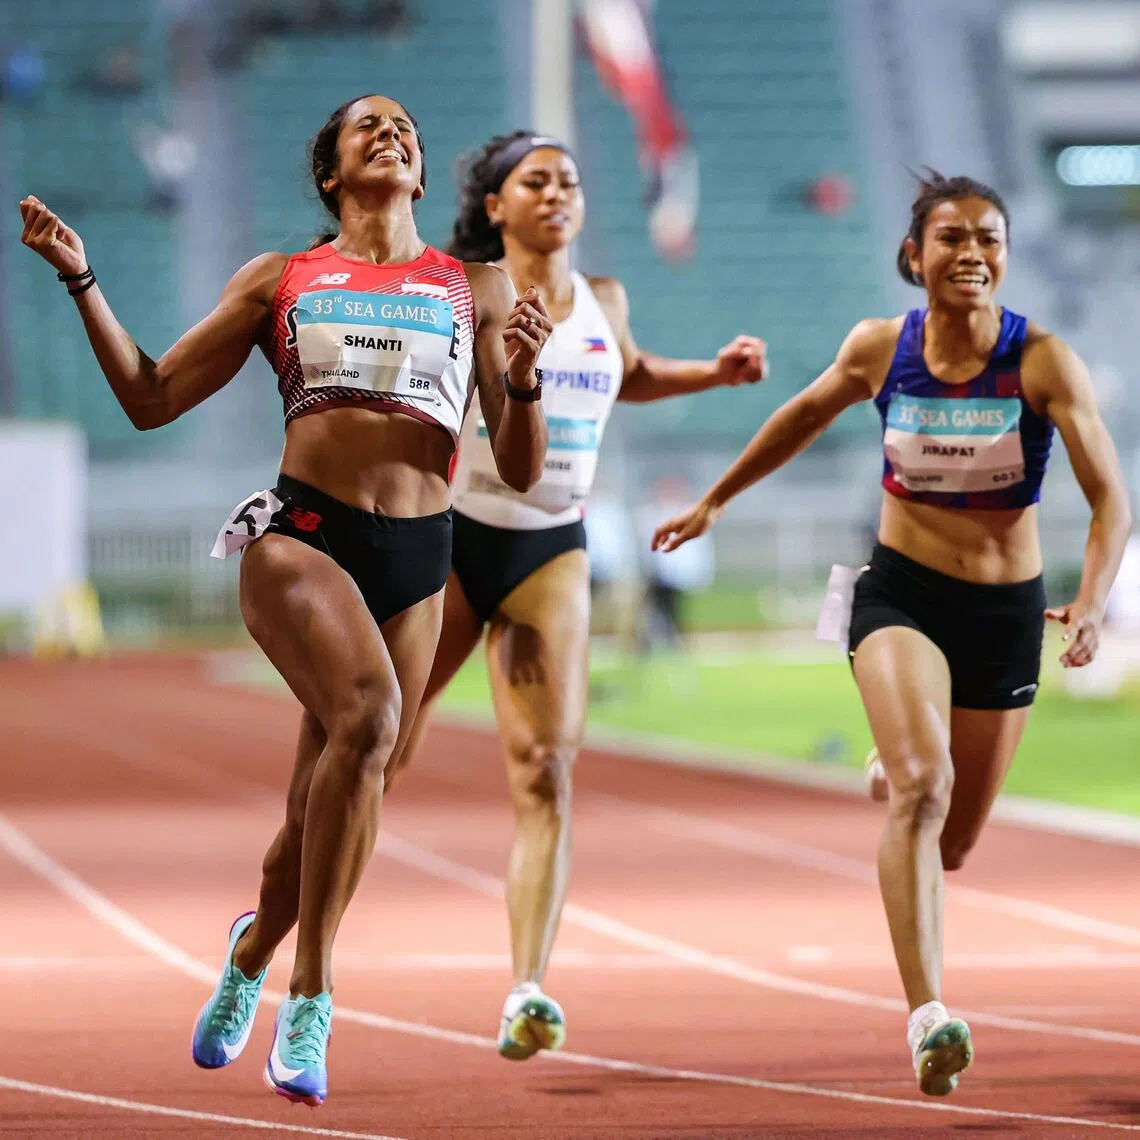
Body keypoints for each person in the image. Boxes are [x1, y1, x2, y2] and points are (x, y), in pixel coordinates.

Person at [18, 94, 551, 1108]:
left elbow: (519, 473)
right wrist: (83, 279)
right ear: (330, 174)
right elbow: (151, 396)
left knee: (335, 787)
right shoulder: (284, 279)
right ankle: (314, 995)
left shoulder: (473, 286)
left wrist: (520, 381)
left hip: (419, 556)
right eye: (369, 127)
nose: (393, 133)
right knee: (373, 721)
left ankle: (252, 951)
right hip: (301, 538)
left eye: (407, 127)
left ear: (423, 176)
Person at [652, 172, 1132, 1096]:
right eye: (951, 237)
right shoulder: (881, 348)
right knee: (924, 788)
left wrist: (1096, 599)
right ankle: (928, 1018)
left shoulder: (1044, 363)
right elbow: (800, 414)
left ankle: (899, 756)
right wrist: (715, 498)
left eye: (988, 237)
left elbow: (1112, 498)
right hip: (901, 595)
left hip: (1004, 610)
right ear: (914, 256)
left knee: (950, 844)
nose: (972, 253)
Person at [384, 130, 766, 1061]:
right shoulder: (465, 290)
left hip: (552, 543)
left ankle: (526, 989)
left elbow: (624, 374)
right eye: (536, 181)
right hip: (453, 531)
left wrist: (709, 374)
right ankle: (305, 931)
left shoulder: (606, 299)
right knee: (378, 740)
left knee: (548, 767)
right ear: (497, 204)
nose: (558, 192)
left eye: (570, 180)